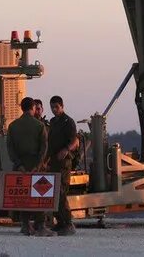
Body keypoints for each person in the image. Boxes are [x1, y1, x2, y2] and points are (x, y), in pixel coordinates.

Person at [6, 97, 53, 237]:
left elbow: (10, 147)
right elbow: (44, 148)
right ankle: (40, 225)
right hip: (36, 164)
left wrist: (19, 164)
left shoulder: (13, 126)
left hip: (20, 164)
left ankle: (25, 225)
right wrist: (38, 165)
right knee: (40, 195)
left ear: (21, 108)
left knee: (23, 196)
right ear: (33, 108)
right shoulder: (39, 126)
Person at [48, 95, 79, 236]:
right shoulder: (53, 122)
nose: (54, 110)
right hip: (53, 161)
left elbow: (74, 141)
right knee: (54, 192)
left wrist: (66, 149)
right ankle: (60, 222)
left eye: (56, 107)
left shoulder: (68, 122)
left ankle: (68, 223)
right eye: (52, 107)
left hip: (64, 162)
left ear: (62, 106)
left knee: (61, 192)